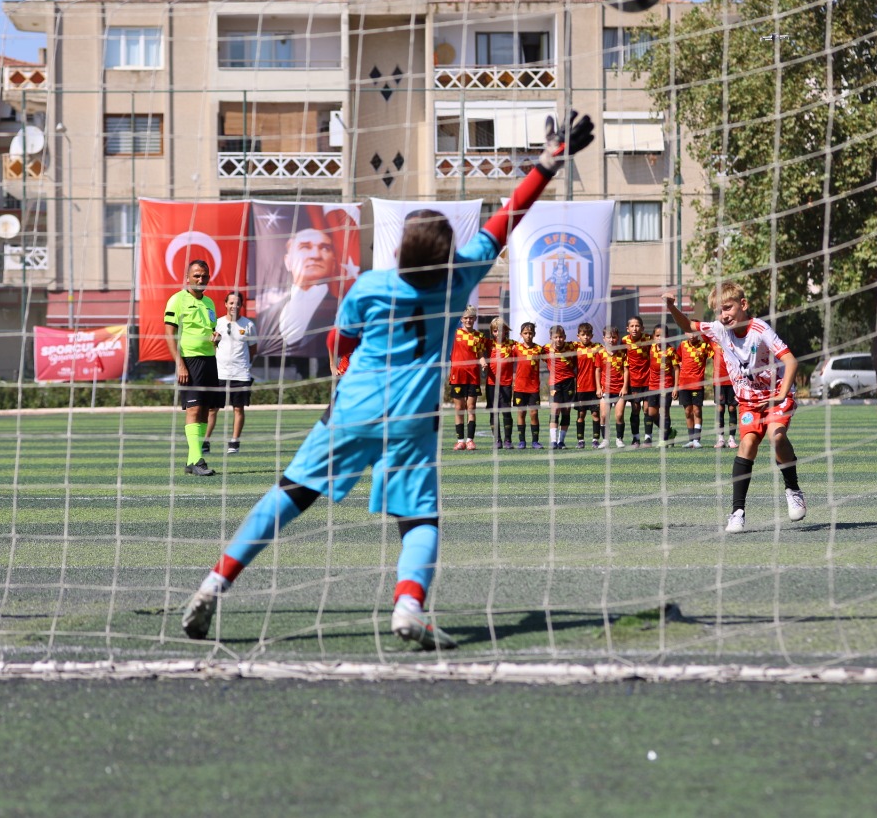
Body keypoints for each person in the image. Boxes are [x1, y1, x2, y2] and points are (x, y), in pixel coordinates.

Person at [180, 109, 594, 649]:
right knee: (419, 519)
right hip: (414, 417)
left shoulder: (372, 285)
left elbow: (339, 342)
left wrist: (345, 367)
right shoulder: (459, 276)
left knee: (292, 493)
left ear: (401, 249)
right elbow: (505, 219)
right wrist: (546, 164)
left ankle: (215, 583)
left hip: (353, 407)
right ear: (448, 252)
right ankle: (408, 607)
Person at [664, 285, 806, 533]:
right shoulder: (718, 330)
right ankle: (737, 512)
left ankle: (792, 489)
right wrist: (671, 307)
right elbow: (688, 327)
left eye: (727, 307)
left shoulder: (760, 329)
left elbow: (790, 360)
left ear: (744, 304)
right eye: (719, 311)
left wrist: (781, 395)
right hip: (748, 400)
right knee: (748, 444)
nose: (723, 315)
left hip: (777, 394)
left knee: (777, 435)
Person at [164, 259, 221, 477]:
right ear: (187, 277)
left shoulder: (209, 303)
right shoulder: (177, 300)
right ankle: (198, 460)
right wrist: (180, 364)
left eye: (204, 276)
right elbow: (169, 335)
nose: (200, 279)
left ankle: (190, 461)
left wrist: (216, 338)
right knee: (194, 409)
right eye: (196, 275)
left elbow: (211, 330)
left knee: (206, 409)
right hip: (189, 361)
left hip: (209, 361)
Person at [255, 227, 344, 359]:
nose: (316, 255)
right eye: (305, 247)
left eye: (325, 248)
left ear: (334, 264)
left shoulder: (343, 309)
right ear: (288, 261)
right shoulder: (266, 316)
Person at [207, 290, 257, 456]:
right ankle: (205, 441)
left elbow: (253, 348)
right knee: (212, 409)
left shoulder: (249, 325)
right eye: (231, 303)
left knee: (238, 409)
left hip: (241, 374)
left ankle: (234, 442)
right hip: (220, 373)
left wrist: (246, 364)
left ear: (241, 305)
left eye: (237, 303)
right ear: (225, 304)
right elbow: (212, 346)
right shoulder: (218, 323)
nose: (234, 306)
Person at [448, 306, 487, 450]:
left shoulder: (479, 336)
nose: (468, 320)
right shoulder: (454, 334)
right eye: (466, 318)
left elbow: (481, 354)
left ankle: (470, 440)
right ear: (461, 319)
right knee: (459, 408)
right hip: (457, 375)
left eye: (471, 317)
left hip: (473, 375)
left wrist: (483, 362)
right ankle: (460, 441)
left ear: (475, 319)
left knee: (471, 407)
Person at [677, 326, 715, 448]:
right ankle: (691, 439)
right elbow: (676, 359)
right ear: (685, 333)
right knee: (688, 412)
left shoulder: (704, 346)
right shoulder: (682, 345)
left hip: (697, 384)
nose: (692, 335)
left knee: (697, 411)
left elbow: (715, 354)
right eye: (690, 332)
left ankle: (697, 440)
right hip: (683, 384)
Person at [511, 322, 545, 449]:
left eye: (530, 333)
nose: (528, 335)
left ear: (534, 334)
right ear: (521, 334)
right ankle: (522, 441)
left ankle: (535, 441)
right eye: (525, 333)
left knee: (534, 413)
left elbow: (550, 359)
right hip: (519, 386)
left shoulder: (539, 349)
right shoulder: (517, 348)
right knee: (521, 413)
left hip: (533, 387)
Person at [543, 324, 577, 449]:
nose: (559, 340)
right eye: (556, 337)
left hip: (568, 382)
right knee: (555, 410)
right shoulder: (545, 349)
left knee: (566, 410)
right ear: (551, 337)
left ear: (565, 337)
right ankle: (553, 441)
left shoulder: (572, 347)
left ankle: (561, 441)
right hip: (554, 383)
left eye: (561, 337)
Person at [573, 323, 605, 449]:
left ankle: (595, 439)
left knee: (595, 414)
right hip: (581, 387)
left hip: (594, 387)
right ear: (578, 336)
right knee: (581, 414)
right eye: (583, 335)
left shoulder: (597, 347)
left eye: (588, 335)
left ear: (592, 335)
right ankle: (580, 440)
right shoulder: (575, 348)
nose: (586, 337)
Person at [484, 317, 515, 449]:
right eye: (496, 331)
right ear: (492, 332)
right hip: (491, 384)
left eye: (501, 330)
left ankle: (508, 440)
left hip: (506, 384)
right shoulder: (488, 344)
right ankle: (497, 440)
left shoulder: (512, 345)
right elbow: (475, 348)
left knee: (506, 411)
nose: (498, 333)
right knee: (493, 412)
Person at [621, 315, 651, 447]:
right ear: (627, 329)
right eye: (632, 326)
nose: (635, 328)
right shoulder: (624, 341)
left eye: (637, 326)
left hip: (648, 380)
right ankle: (635, 438)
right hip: (633, 382)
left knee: (647, 409)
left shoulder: (648, 339)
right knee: (635, 409)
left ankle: (648, 438)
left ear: (642, 328)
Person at [647, 323, 678, 443]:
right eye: (658, 335)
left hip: (667, 386)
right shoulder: (651, 348)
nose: (660, 338)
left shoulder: (671, 350)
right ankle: (669, 431)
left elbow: (676, 369)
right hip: (653, 386)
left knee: (664, 411)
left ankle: (664, 439)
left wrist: (675, 387)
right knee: (652, 413)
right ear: (654, 337)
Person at [601, 325, 628, 448]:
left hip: (619, 390)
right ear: (604, 338)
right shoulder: (601, 353)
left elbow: (626, 370)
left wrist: (624, 387)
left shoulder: (622, 353)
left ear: (617, 338)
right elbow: (597, 371)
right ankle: (605, 440)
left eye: (614, 337)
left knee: (619, 415)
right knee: (604, 415)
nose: (611, 340)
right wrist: (598, 387)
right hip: (605, 390)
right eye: (609, 337)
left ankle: (619, 439)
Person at [712, 338, 737, 449]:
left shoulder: (734, 341)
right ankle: (720, 439)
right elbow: (702, 333)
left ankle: (732, 438)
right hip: (718, 382)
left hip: (733, 380)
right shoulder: (713, 342)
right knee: (720, 409)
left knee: (732, 409)